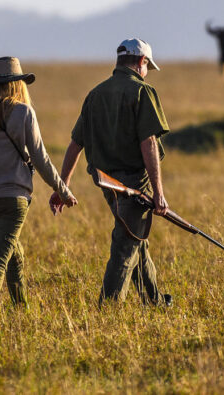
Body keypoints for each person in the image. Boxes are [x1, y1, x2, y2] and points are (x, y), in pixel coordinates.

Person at [0, 57, 78, 320]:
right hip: (14, 200)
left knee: (12, 252)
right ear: (18, 84)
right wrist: (63, 191)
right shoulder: (23, 112)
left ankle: (21, 309)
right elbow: (41, 159)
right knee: (0, 256)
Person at [50, 38, 173, 306]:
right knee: (126, 246)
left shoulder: (95, 94)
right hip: (133, 185)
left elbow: (75, 144)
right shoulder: (143, 91)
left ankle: (154, 301)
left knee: (136, 239)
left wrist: (63, 186)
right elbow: (148, 143)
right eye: (147, 67)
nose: (146, 72)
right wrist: (159, 193)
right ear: (142, 62)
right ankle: (109, 307)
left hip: (107, 184)